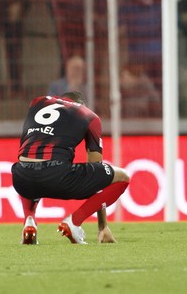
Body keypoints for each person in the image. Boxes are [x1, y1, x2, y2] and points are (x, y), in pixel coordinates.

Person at [11, 91, 130, 245]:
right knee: (122, 177)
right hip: (57, 176)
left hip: (20, 178)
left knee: (33, 161)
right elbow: (96, 167)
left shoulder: (37, 102)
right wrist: (102, 225)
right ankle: (74, 222)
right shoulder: (89, 116)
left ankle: (29, 220)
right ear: (81, 105)